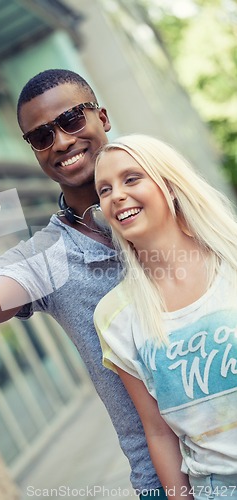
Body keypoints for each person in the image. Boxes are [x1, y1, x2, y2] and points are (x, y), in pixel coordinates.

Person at [0, 69, 166, 497]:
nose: (62, 142)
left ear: (102, 117)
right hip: (161, 480)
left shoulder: (170, 196)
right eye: (41, 136)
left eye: (71, 120)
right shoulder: (47, 255)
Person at [94, 134, 237, 499]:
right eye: (104, 190)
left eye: (131, 179)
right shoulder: (115, 315)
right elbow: (157, 430)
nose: (116, 196)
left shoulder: (232, 261)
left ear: (169, 186)